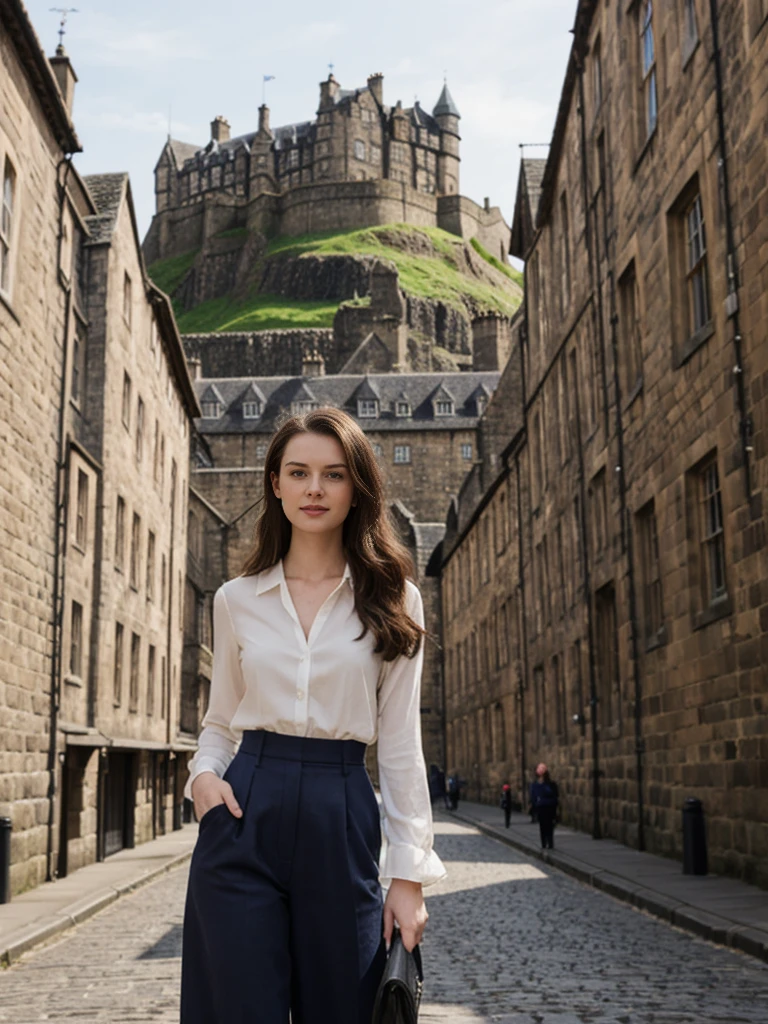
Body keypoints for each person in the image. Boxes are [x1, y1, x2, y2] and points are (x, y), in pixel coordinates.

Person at [181, 408, 446, 1024]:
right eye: (298, 472)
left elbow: (402, 741)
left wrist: (407, 876)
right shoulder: (236, 600)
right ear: (275, 483)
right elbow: (221, 722)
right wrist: (202, 780)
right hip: (245, 811)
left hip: (342, 808)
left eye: (333, 474)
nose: (315, 489)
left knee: (344, 1008)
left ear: (357, 489)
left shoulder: (394, 597)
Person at [530, 763, 559, 850]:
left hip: (550, 807)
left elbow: (555, 795)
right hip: (541, 807)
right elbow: (533, 796)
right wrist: (535, 805)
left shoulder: (551, 784)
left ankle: (550, 842)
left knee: (549, 825)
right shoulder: (535, 785)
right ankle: (544, 843)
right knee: (542, 825)